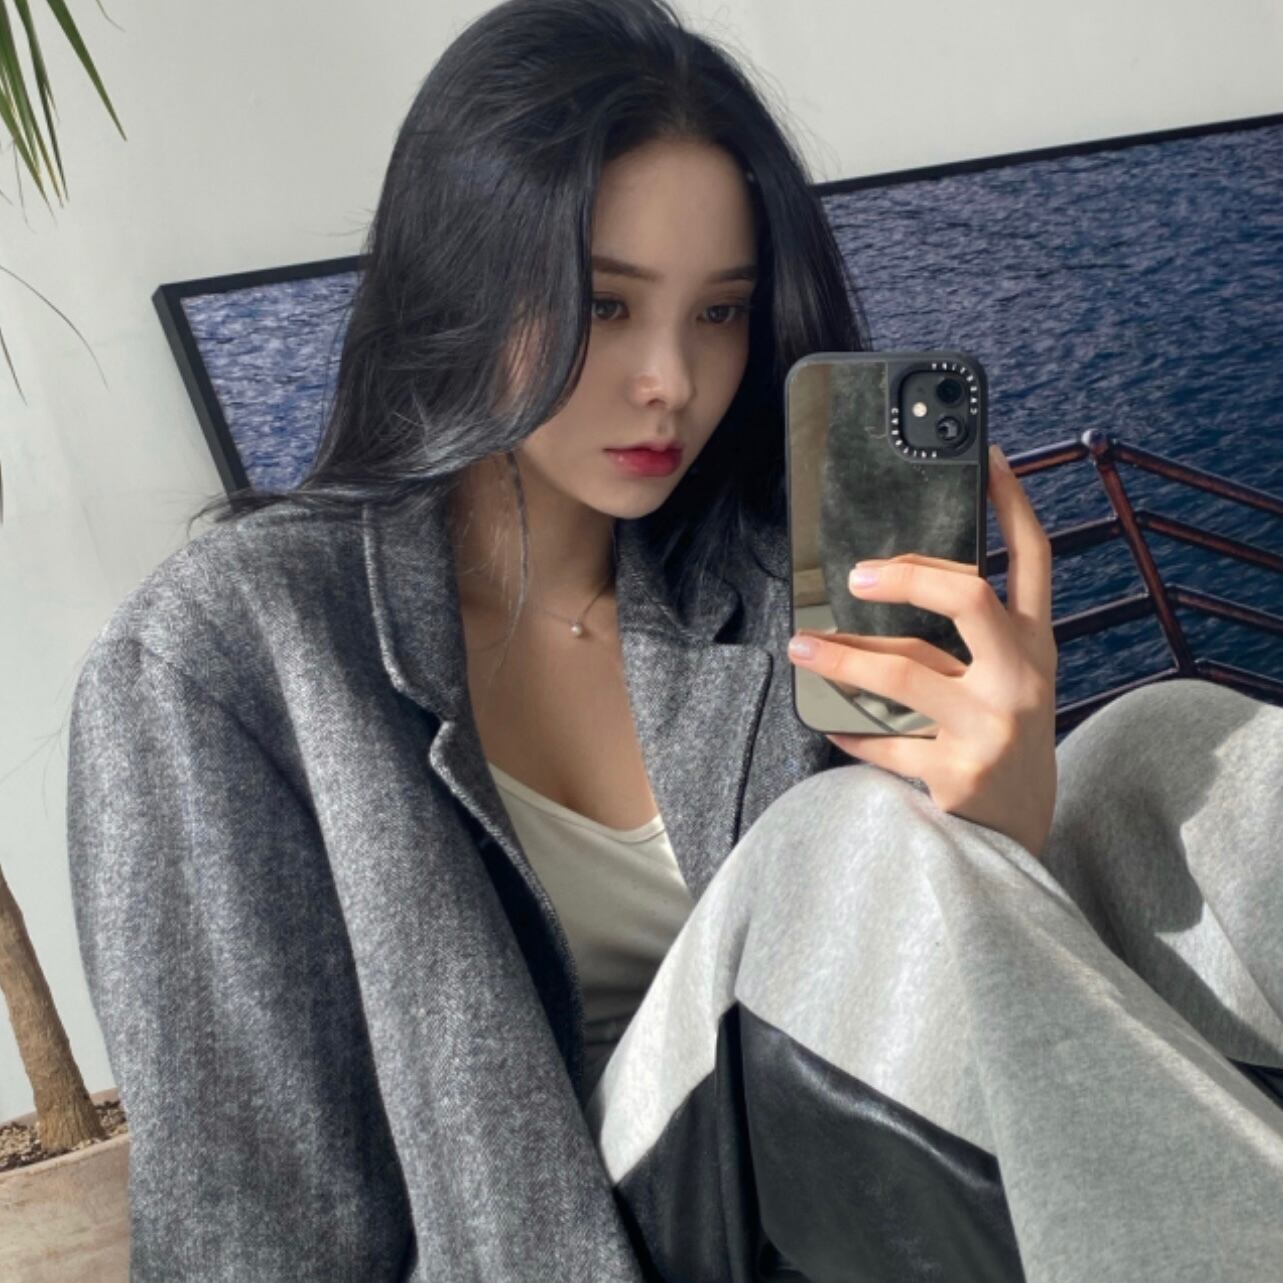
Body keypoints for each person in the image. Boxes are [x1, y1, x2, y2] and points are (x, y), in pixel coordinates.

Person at [65, 0, 1283, 1279]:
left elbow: (910, 1028)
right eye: (603, 305)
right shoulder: (226, 654)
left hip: (857, 1207)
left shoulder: (769, 577)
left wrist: (1004, 829)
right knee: (850, 838)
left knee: (1172, 749)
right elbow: (248, 1231)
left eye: (718, 313)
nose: (672, 381)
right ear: (457, 279)